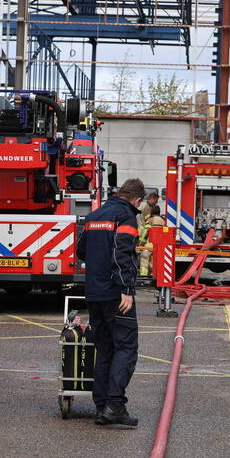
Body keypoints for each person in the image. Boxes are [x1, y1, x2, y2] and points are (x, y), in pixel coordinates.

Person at [77, 177, 145, 427]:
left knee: (104, 349)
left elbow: (81, 251)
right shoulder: (125, 216)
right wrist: (127, 289)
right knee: (126, 348)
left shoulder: (94, 216)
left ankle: (101, 407)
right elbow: (122, 253)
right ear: (136, 200)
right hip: (116, 295)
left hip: (94, 293)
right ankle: (115, 406)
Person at [139, 204, 167, 277]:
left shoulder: (150, 220)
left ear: (152, 211)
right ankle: (153, 274)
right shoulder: (163, 221)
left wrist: (142, 242)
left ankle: (143, 275)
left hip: (149, 245)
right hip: (159, 245)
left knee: (144, 258)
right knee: (153, 260)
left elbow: (146, 232)